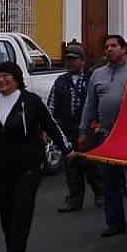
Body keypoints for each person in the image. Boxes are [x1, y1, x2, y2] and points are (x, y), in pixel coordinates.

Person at [0, 62, 73, 252]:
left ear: (16, 78)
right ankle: (10, 250)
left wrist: (66, 149)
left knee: (22, 206)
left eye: (6, 76)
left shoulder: (31, 101)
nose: (1, 80)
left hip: (28, 164)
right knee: (6, 208)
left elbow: (51, 125)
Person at [80, 34, 127, 237]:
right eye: (106, 46)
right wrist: (84, 131)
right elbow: (90, 105)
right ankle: (115, 222)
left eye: (113, 45)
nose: (109, 49)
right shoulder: (98, 75)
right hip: (107, 134)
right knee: (109, 180)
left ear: (124, 49)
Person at [49, 42, 103, 212]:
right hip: (68, 131)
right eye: (68, 59)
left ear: (82, 60)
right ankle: (74, 200)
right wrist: (50, 129)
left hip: (90, 130)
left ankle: (101, 195)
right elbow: (52, 106)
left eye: (74, 59)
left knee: (92, 166)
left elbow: (100, 104)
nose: (70, 62)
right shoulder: (60, 81)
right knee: (72, 167)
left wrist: (96, 125)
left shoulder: (92, 79)